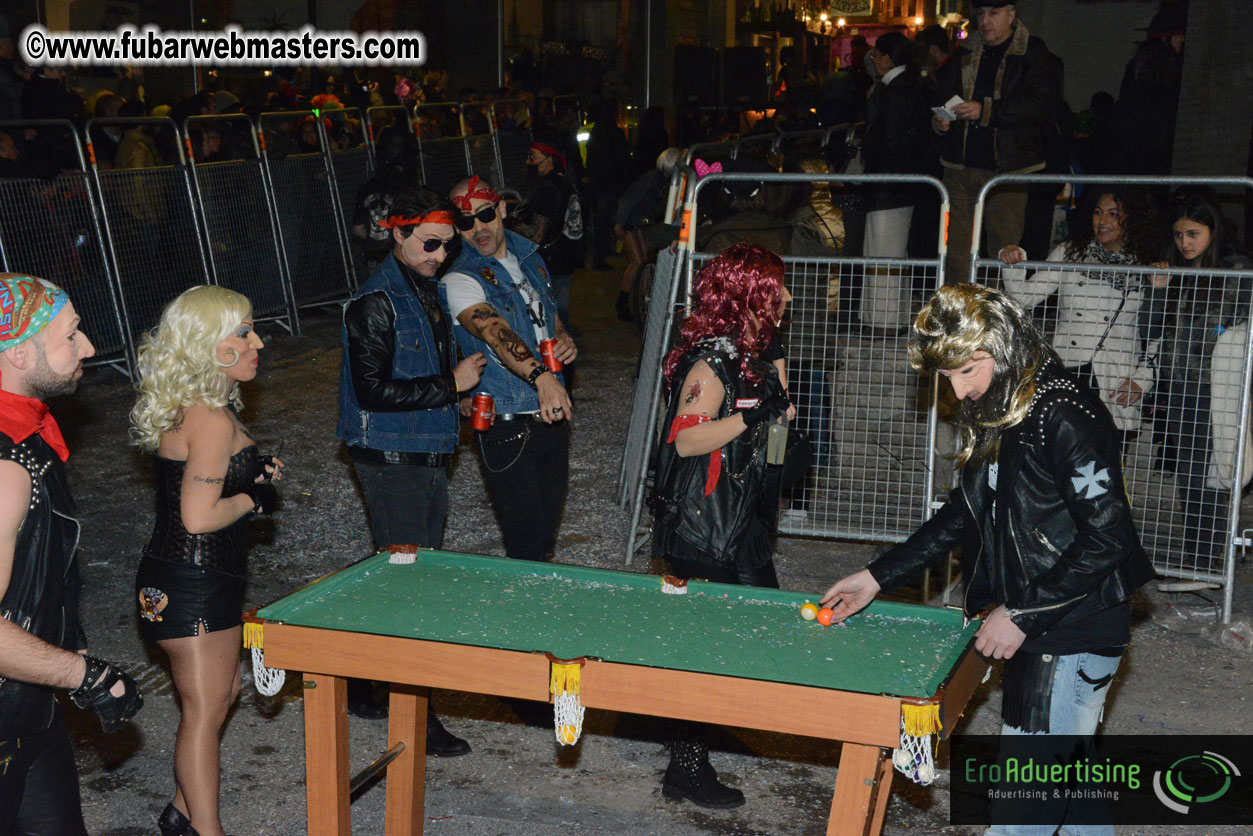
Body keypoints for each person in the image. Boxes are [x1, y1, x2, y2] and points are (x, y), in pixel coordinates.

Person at [821, 283, 1153, 835]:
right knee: (1073, 804)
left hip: (1070, 631)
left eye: (966, 371)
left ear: (999, 351)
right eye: (947, 376)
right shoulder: (1002, 402)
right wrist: (878, 576)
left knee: (1022, 815)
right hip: (1045, 626)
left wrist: (1020, 614)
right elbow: (966, 511)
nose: (957, 391)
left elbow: (1109, 536)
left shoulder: (1064, 412)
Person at [129, 286, 282, 836]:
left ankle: (181, 811)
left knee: (223, 695)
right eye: (243, 332)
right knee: (203, 710)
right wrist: (252, 498)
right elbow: (197, 517)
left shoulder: (201, 409)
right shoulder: (211, 420)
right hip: (192, 579)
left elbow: (194, 482)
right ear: (207, 345)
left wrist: (251, 473)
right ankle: (205, 829)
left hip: (192, 576)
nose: (257, 342)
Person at [337, 185, 484, 747]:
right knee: (411, 586)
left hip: (419, 447)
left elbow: (409, 374)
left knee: (404, 576)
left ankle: (363, 684)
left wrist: (452, 400)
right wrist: (450, 386)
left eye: (447, 245)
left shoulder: (423, 287)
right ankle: (414, 714)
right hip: (392, 454)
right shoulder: (377, 300)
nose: (439, 255)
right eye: (428, 243)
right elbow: (372, 390)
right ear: (395, 234)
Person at [648, 243, 794, 809]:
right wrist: (751, 416)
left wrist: (773, 374)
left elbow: (782, 414)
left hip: (738, 518)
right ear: (746, 296)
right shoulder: (713, 362)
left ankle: (705, 723)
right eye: (775, 289)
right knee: (706, 647)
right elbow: (685, 440)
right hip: (702, 524)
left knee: (759, 625)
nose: (787, 297)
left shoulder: (752, 352)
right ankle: (686, 766)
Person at [0, 274, 143, 836]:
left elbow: (38, 569)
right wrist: (82, 673)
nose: (88, 346)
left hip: (27, 708)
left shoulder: (29, 436)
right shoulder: (6, 468)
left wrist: (68, 640)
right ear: (17, 353)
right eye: (70, 335)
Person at [440, 175, 577, 564]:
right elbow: (494, 332)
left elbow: (546, 314)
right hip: (506, 421)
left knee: (546, 534)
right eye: (465, 222)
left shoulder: (529, 257)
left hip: (551, 411)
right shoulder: (459, 278)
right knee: (525, 541)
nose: (477, 228)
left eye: (484, 215)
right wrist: (542, 377)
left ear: (501, 209)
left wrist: (562, 337)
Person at [1142, 192, 1253, 571]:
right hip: (1179, 385)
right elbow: (1150, 330)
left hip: (1219, 387)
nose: (1184, 243)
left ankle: (1205, 560)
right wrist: (1157, 290)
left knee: (1213, 473)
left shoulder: (1238, 271)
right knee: (1191, 474)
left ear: (1213, 231)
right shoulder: (1175, 271)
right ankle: (1199, 558)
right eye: (1178, 235)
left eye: (1193, 234)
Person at [997, 187, 1160, 438]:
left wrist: (1143, 379)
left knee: (1110, 455)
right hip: (1069, 367)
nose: (1103, 221)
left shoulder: (1148, 264)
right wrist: (1012, 264)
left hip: (1117, 376)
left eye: (1113, 214)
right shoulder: (1070, 252)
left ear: (1133, 219)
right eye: (1098, 212)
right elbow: (1024, 298)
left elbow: (1160, 330)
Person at [932, 0, 1061, 284]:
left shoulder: (1034, 54)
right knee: (956, 251)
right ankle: (959, 306)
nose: (985, 20)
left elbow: (1040, 106)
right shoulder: (966, 51)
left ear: (1011, 15)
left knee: (1004, 250)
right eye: (980, 14)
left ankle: (997, 308)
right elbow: (944, 94)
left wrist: (986, 111)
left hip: (1010, 167)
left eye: (994, 13)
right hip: (960, 166)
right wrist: (941, 121)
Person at [860, 31, 935, 331]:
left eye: (876, 55)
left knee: (882, 253)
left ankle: (882, 320)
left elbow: (888, 142)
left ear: (887, 58)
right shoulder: (910, 87)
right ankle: (894, 317)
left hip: (887, 186)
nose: (873, 60)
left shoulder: (893, 93)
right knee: (893, 254)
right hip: (902, 186)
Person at [516, 131, 585, 330]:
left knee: (550, 311)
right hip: (567, 256)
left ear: (549, 159)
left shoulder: (546, 189)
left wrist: (511, 228)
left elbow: (537, 235)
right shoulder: (566, 183)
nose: (528, 162)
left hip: (550, 261)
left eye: (532, 156)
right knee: (560, 305)